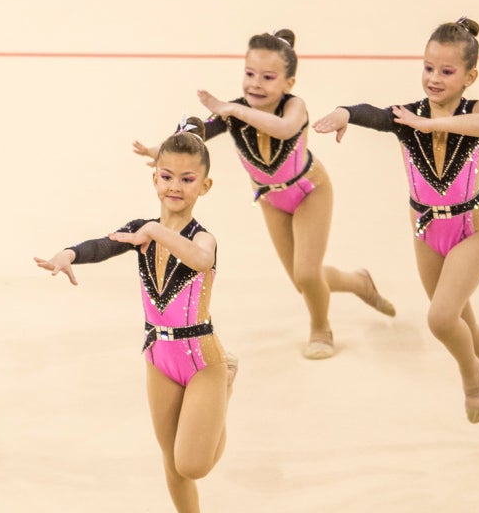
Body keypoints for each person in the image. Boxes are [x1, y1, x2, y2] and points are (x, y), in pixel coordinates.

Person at [35, 127, 235, 513]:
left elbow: (201, 260)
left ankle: (225, 388)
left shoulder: (203, 237)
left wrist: (152, 232)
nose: (174, 187)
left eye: (187, 180)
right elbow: (103, 245)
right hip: (158, 358)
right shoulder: (140, 231)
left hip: (202, 357)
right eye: (166, 177)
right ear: (155, 179)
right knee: (171, 462)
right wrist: (68, 253)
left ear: (204, 186)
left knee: (193, 463)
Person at [313, 17, 479, 438]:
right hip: (427, 233)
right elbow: (373, 113)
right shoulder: (407, 115)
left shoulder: (475, 110)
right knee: (464, 323)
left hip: (473, 229)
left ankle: (474, 381)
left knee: (442, 319)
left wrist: (429, 125)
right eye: (428, 68)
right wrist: (344, 112)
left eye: (447, 71)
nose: (434, 78)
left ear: (469, 76)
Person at [133, 30, 395, 360]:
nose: (256, 83)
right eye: (250, 74)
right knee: (303, 279)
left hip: (310, 191)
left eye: (268, 77)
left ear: (289, 82)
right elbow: (197, 136)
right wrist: (161, 149)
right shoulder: (233, 110)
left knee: (307, 273)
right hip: (271, 201)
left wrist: (233, 110)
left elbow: (283, 129)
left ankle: (321, 329)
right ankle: (359, 283)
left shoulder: (294, 106)